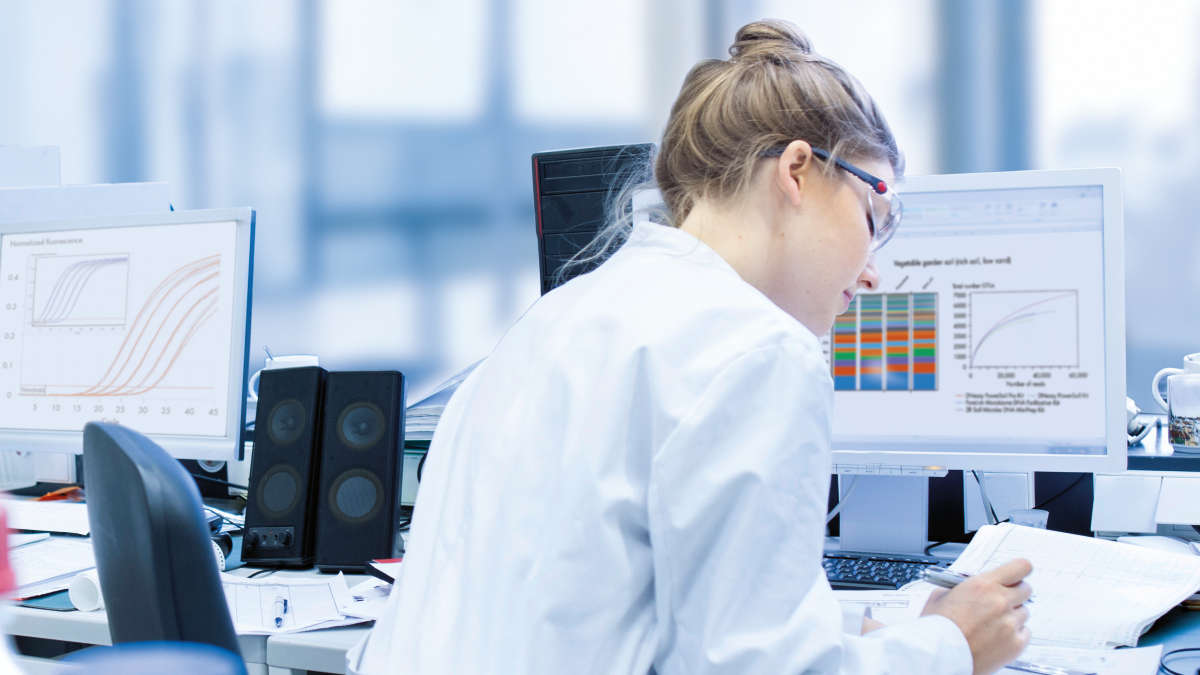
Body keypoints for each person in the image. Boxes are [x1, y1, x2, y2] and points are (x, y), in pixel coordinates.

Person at [351, 19, 1032, 675]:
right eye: (871, 217)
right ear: (797, 170)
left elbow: (608, 601)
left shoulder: (550, 322)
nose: (873, 269)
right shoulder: (757, 351)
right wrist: (952, 646)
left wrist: (854, 636)